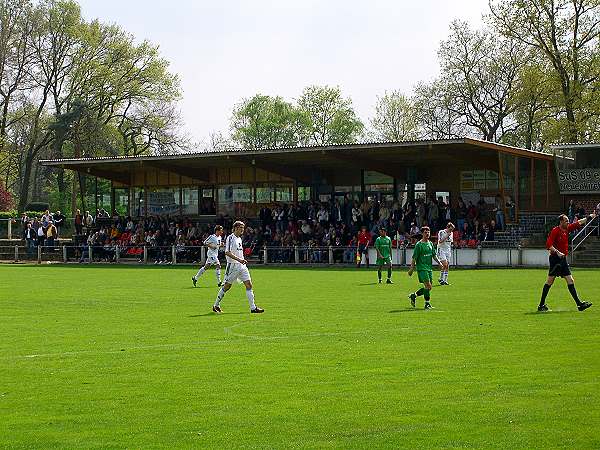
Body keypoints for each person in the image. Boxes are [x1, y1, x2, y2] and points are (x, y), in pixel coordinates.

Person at [538, 213, 596, 312]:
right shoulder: (555, 230)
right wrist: (557, 252)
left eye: (568, 221)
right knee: (550, 281)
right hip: (555, 259)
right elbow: (548, 244)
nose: (568, 222)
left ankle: (579, 304)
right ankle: (541, 305)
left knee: (570, 280)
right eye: (566, 221)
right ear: (561, 222)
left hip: (563, 260)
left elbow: (578, 223)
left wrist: (590, 217)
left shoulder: (567, 228)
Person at [212, 221, 264, 314]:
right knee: (227, 286)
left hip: (242, 266)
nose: (242, 230)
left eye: (243, 228)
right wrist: (240, 260)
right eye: (241, 228)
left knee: (249, 285)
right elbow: (227, 252)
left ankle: (253, 308)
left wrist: (242, 260)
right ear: (235, 228)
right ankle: (216, 305)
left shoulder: (239, 238)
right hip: (233, 265)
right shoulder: (230, 238)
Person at [407, 226, 440, 310]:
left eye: (428, 232)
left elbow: (434, 255)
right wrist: (411, 269)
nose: (427, 234)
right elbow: (414, 257)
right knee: (428, 286)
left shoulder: (430, 243)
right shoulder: (419, 245)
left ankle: (413, 295)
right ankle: (427, 304)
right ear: (422, 234)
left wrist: (439, 263)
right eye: (425, 232)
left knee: (429, 287)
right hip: (421, 268)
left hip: (429, 268)